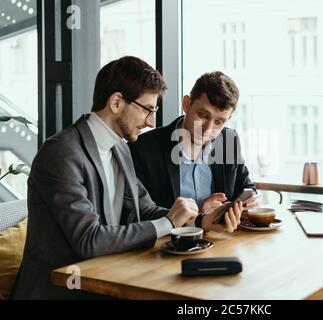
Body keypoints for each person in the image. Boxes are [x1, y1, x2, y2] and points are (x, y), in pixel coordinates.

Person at [11, 57, 241, 300]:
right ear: (117, 102)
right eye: (147, 110)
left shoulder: (120, 148)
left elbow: (145, 208)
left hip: (108, 278)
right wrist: (169, 223)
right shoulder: (61, 153)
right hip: (60, 291)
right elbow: (90, 240)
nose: (151, 121)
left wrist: (200, 222)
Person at [129, 71, 256, 231]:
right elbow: (140, 213)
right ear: (186, 104)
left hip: (220, 241)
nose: (208, 129)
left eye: (219, 122)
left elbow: (245, 186)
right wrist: (199, 214)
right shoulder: (144, 148)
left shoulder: (228, 141)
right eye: (203, 115)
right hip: (168, 246)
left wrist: (249, 200)